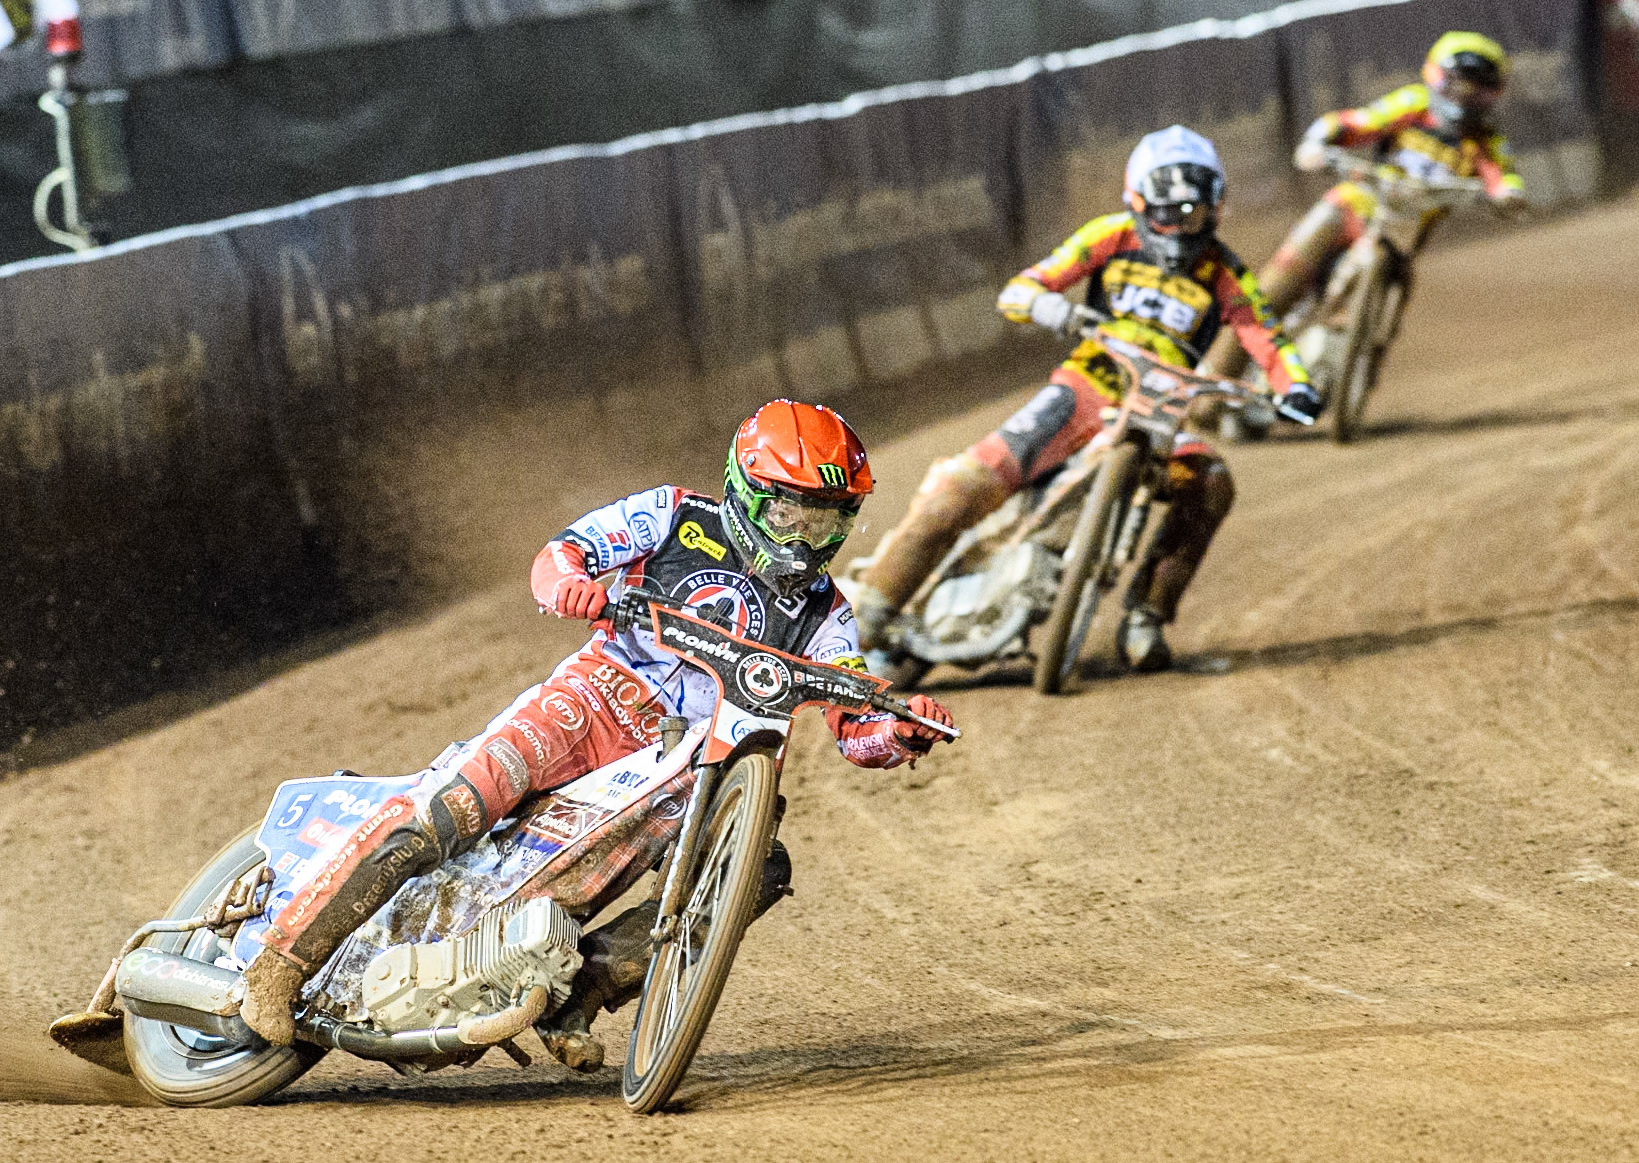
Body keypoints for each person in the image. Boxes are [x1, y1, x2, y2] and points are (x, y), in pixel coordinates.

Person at [238, 399, 956, 1068]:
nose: (806, 537)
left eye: (828, 520)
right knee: (455, 803)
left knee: (759, 866)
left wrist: (898, 731)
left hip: (700, 765)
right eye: (791, 513)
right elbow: (561, 554)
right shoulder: (675, 516)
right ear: (744, 491)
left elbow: (853, 724)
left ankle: (577, 990)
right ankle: (282, 959)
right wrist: (570, 585)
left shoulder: (828, 613)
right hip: (597, 701)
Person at [850, 126, 1321, 674]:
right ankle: (868, 619)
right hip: (1084, 389)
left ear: (1215, 208)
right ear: (1139, 202)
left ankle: (1146, 617)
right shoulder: (1111, 236)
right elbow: (1027, 285)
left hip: (1164, 412)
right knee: (962, 486)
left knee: (1211, 481)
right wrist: (1044, 304)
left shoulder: (1226, 271)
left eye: (1193, 213)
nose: (1180, 226)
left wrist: (1297, 387)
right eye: (1168, 212)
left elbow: (1266, 334)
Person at [1206, 31, 1526, 381]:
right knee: (1279, 281)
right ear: (1437, 76)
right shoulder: (1414, 104)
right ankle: (1217, 377)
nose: (1466, 98)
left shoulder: (1486, 139)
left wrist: (1507, 193)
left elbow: (1502, 174)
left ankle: (1355, 367)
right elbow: (1363, 122)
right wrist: (1323, 137)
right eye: (1461, 85)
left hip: (1405, 234)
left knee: (1394, 303)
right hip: (1354, 207)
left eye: (1478, 90)